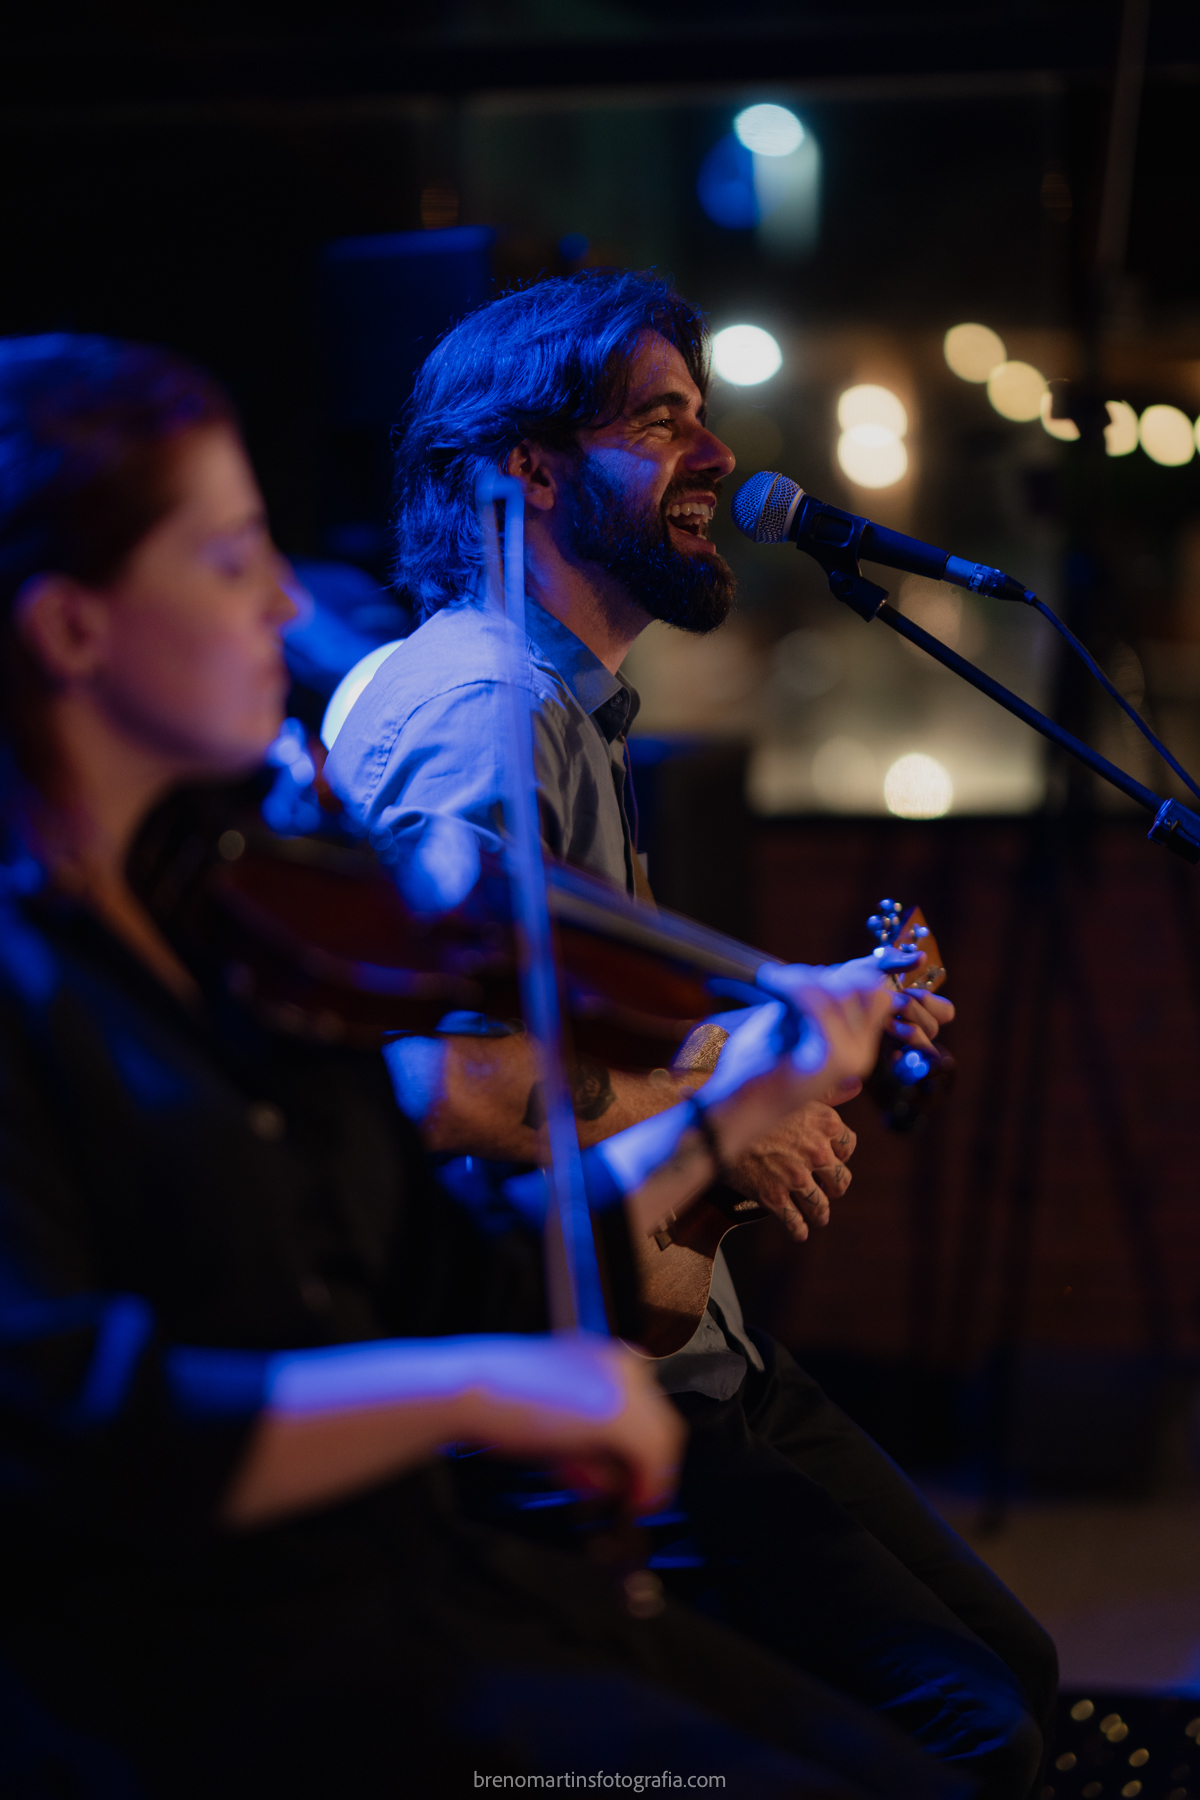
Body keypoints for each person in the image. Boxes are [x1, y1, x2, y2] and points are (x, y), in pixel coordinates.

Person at [0, 331, 969, 1800]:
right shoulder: (41, 993)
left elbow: (479, 1270)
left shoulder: (253, 941)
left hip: (414, 1591)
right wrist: (472, 1391)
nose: (286, 604)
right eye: (228, 559)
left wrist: (736, 1108)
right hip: (222, 1685)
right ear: (71, 629)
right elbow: (92, 1432)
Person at [326, 270, 1058, 1798]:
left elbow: (584, 1035)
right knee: (970, 1728)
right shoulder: (483, 712)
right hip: (591, 1393)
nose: (716, 456)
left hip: (699, 1351)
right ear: (527, 470)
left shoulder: (567, 710)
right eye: (660, 422)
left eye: (703, 416)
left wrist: (778, 1042)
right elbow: (451, 1086)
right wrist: (737, 1083)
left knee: (1020, 1672)